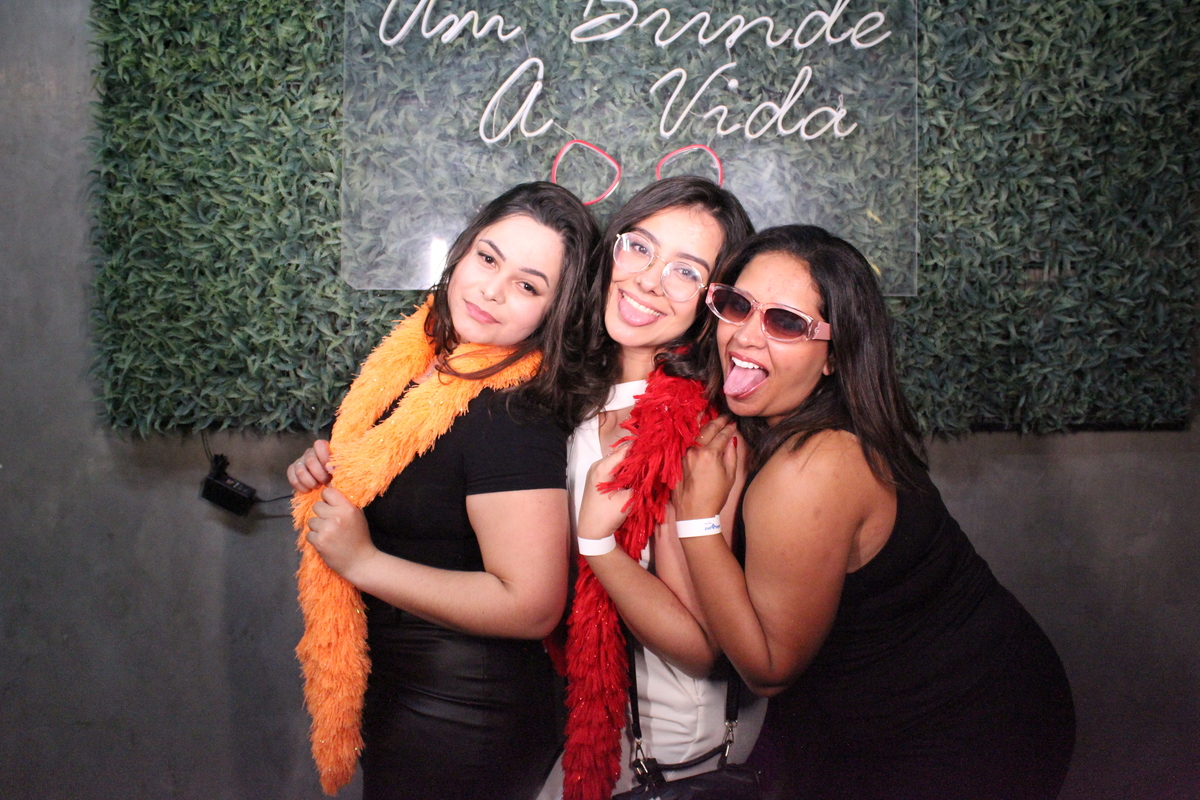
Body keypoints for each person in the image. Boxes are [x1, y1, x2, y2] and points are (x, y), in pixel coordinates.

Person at [671, 225, 1076, 799]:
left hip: (968, 727)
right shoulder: (785, 423)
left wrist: (696, 522)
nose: (745, 335)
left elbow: (769, 668)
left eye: (785, 322)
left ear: (835, 357)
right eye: (738, 305)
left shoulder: (813, 467)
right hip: (894, 718)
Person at [286, 182, 599, 800]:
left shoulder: (512, 415)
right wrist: (325, 473)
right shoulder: (423, 365)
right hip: (404, 693)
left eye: (528, 285)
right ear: (463, 251)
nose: (491, 289)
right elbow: (411, 493)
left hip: (464, 716)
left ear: (555, 311)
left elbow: (533, 605)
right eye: (488, 258)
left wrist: (362, 560)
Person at [537, 176, 765, 800]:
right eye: (639, 247)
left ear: (715, 303)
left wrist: (597, 543)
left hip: (674, 747)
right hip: (596, 726)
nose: (647, 280)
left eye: (686, 272)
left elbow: (702, 649)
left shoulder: (695, 428)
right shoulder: (586, 400)